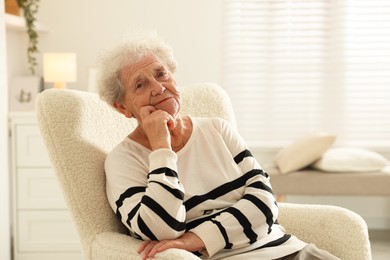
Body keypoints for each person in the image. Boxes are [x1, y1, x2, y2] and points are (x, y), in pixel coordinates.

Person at [97, 32, 340, 260]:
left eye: (161, 74)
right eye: (140, 85)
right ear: (123, 107)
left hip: (290, 250)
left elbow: (265, 202)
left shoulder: (217, 129)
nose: (159, 87)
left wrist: (197, 238)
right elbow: (162, 230)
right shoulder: (122, 161)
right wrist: (162, 148)